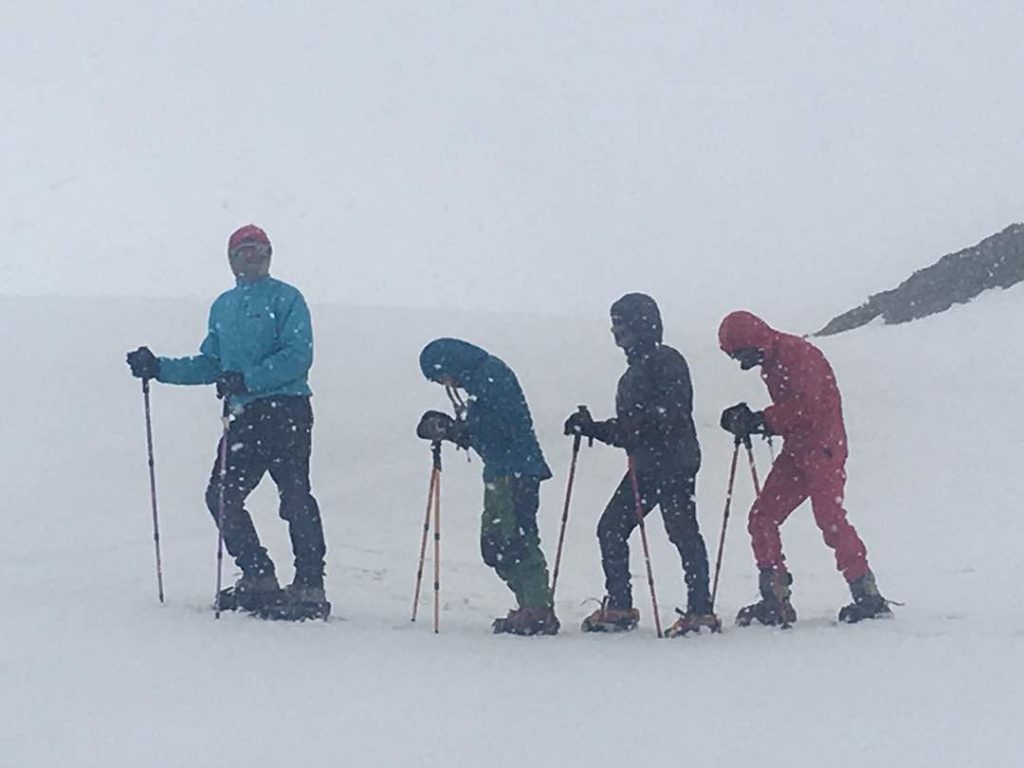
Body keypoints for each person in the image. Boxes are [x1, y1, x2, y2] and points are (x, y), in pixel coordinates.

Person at [125, 224, 329, 621]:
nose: (255, 257)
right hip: (246, 415)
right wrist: (159, 368)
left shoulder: (287, 298)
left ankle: (309, 586)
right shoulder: (223, 306)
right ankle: (259, 577)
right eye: (246, 251)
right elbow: (212, 363)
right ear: (231, 259)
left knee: (294, 497)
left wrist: (247, 379)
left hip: (286, 409)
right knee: (222, 496)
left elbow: (298, 355)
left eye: (261, 250)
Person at [717, 309, 891, 625]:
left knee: (829, 518)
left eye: (742, 353)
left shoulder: (797, 354)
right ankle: (775, 598)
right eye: (736, 357)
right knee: (762, 517)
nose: (743, 362)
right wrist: (761, 421)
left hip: (823, 449)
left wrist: (761, 420)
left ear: (753, 340)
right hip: (799, 450)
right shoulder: (771, 360)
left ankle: (868, 596)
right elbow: (796, 412)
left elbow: (808, 409)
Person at [563, 293, 716, 636]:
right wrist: (600, 429)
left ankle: (697, 610)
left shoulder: (665, 361)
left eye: (622, 324)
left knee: (678, 531)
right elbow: (638, 425)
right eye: (614, 325)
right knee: (617, 528)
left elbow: (664, 417)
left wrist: (605, 429)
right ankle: (628, 605)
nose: (616, 334)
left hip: (670, 463)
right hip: (654, 462)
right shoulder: (637, 370)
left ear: (642, 324)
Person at [417, 338, 559, 636]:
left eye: (441, 376)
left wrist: (459, 430)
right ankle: (531, 605)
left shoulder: (491, 378)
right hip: (504, 471)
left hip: (514, 471)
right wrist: (457, 431)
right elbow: (490, 432)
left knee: (513, 539)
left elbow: (500, 430)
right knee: (499, 543)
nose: (445, 383)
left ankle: (537, 608)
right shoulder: (483, 379)